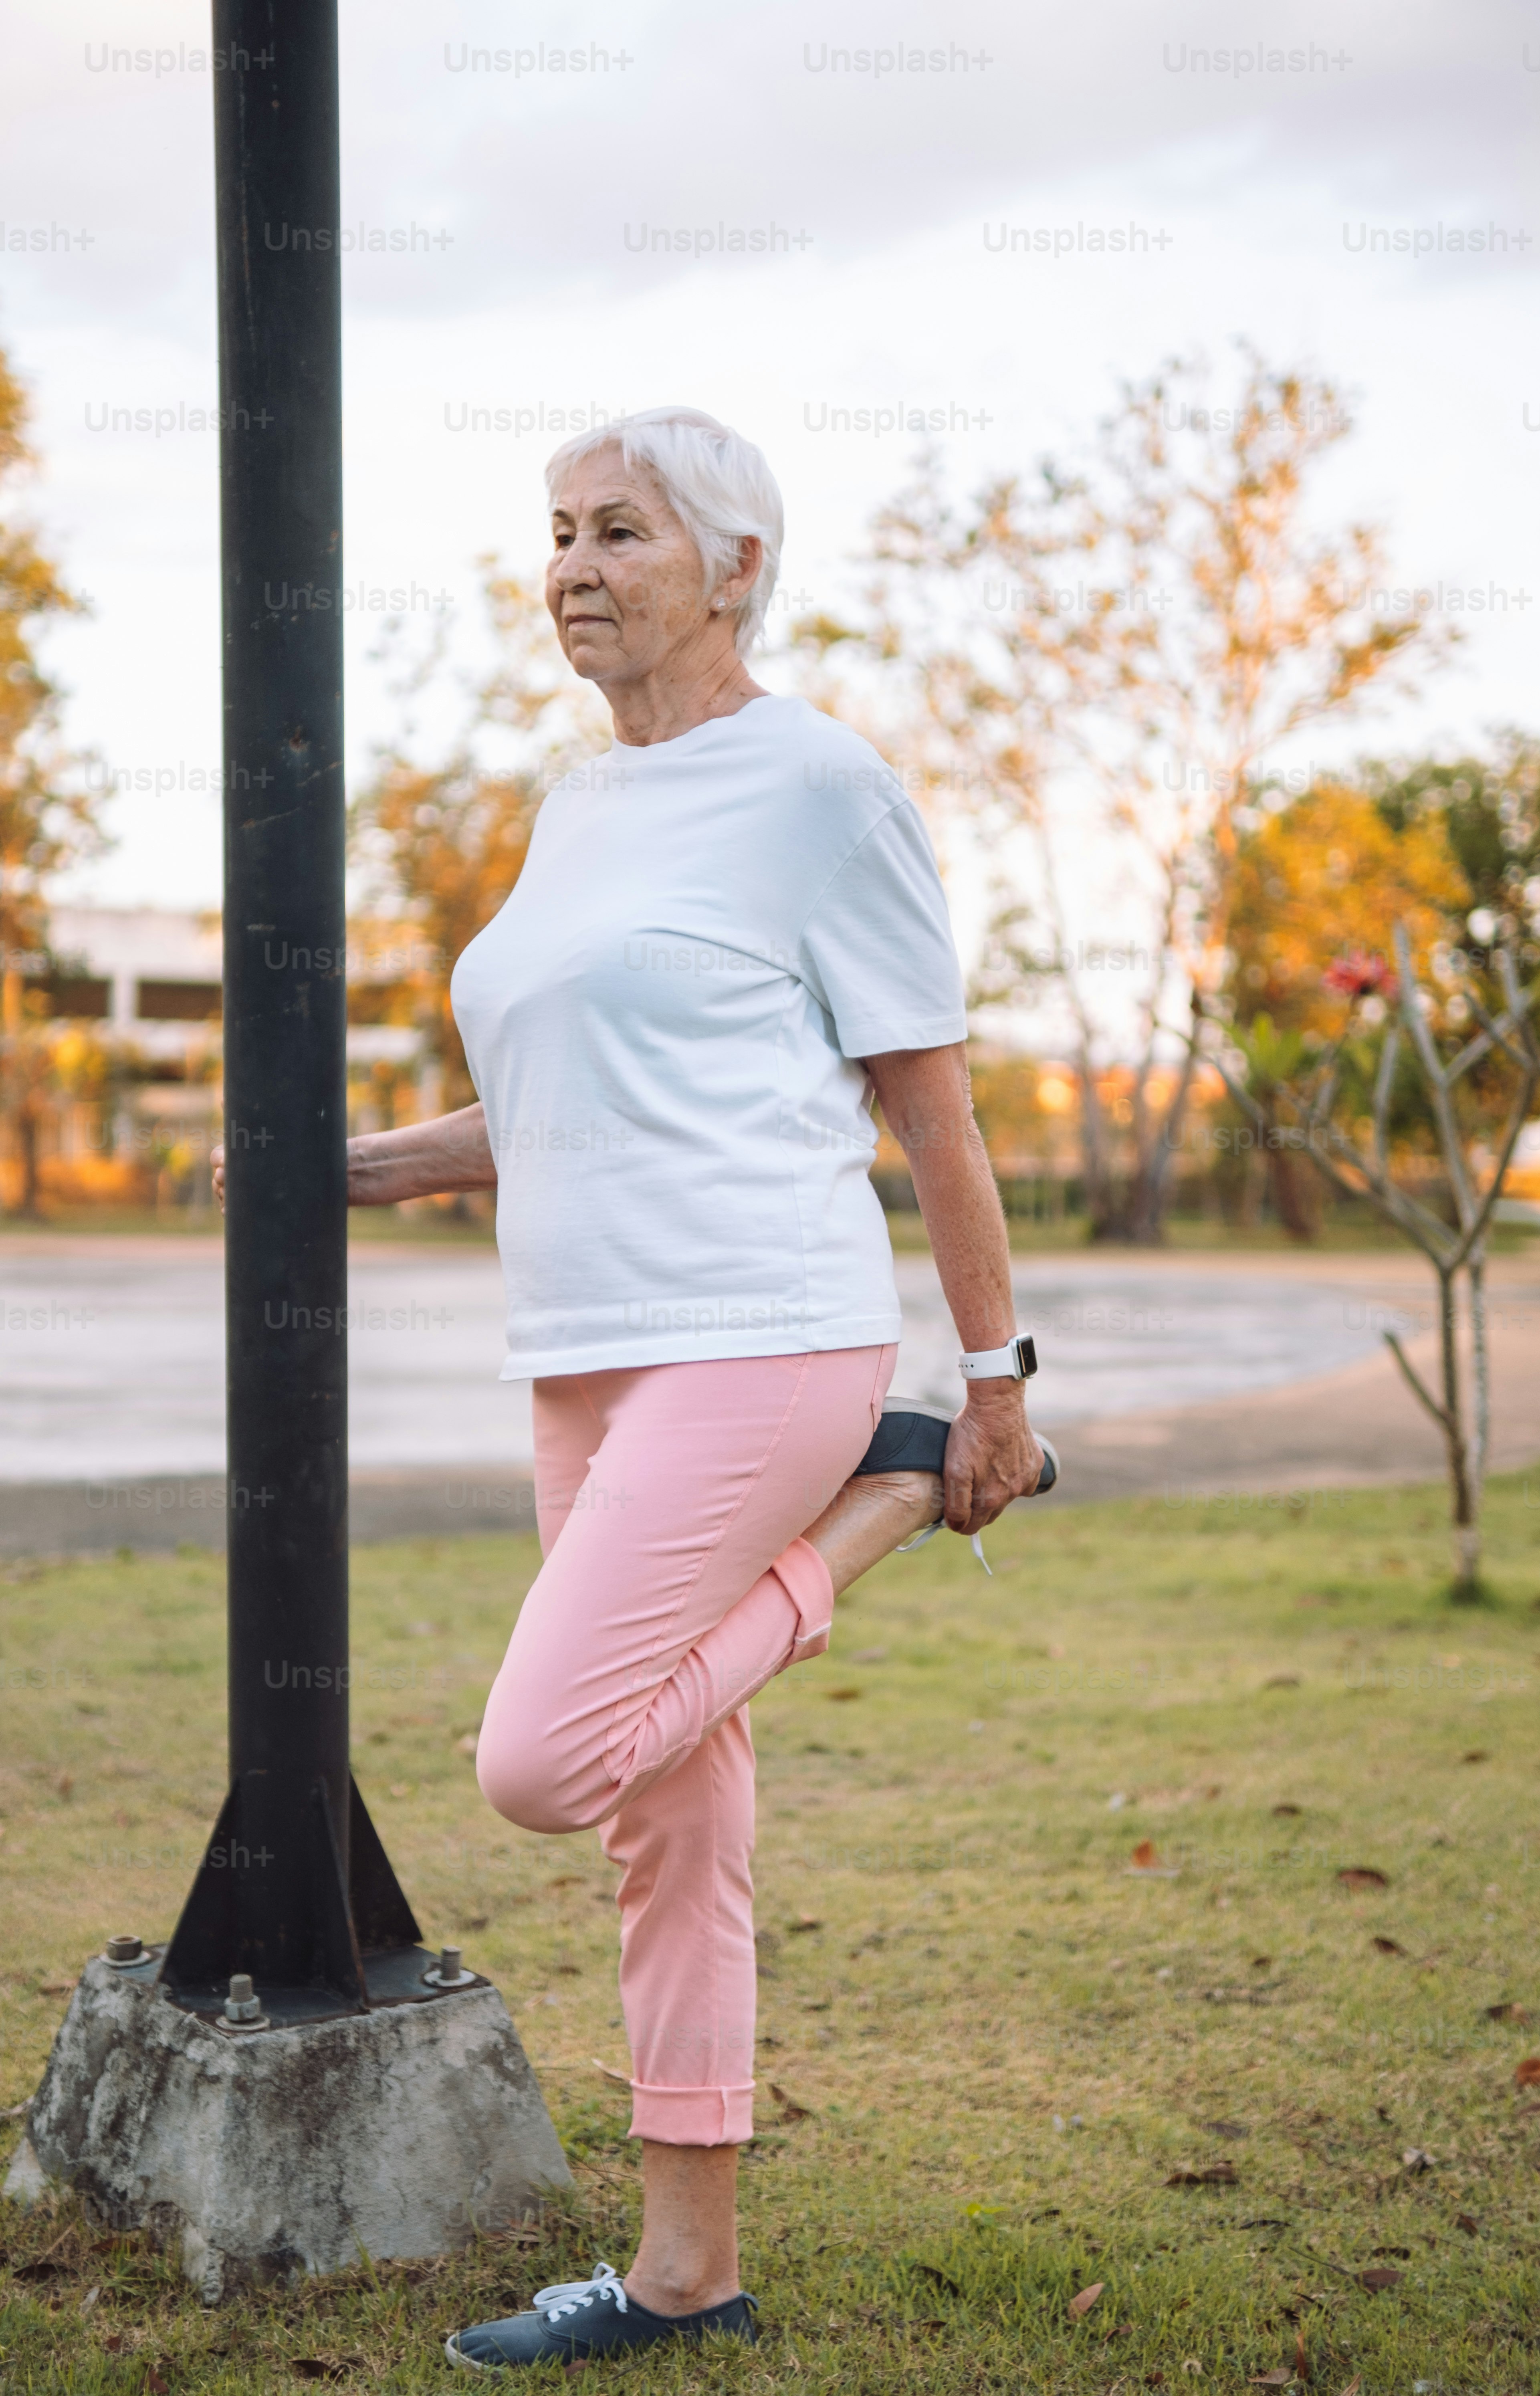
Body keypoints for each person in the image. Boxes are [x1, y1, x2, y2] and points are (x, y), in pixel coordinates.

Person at [217, 405, 1054, 2372]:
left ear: (736, 567)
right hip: (581, 1362)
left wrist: (991, 1389)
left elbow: (935, 1116)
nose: (572, 568)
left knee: (546, 1758)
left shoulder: (825, 789)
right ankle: (688, 2271)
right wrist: (336, 1168)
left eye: (620, 532)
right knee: (669, 1825)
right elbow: (552, 1108)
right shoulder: (577, 809)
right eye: (558, 532)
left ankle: (878, 1505)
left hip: (764, 1340)